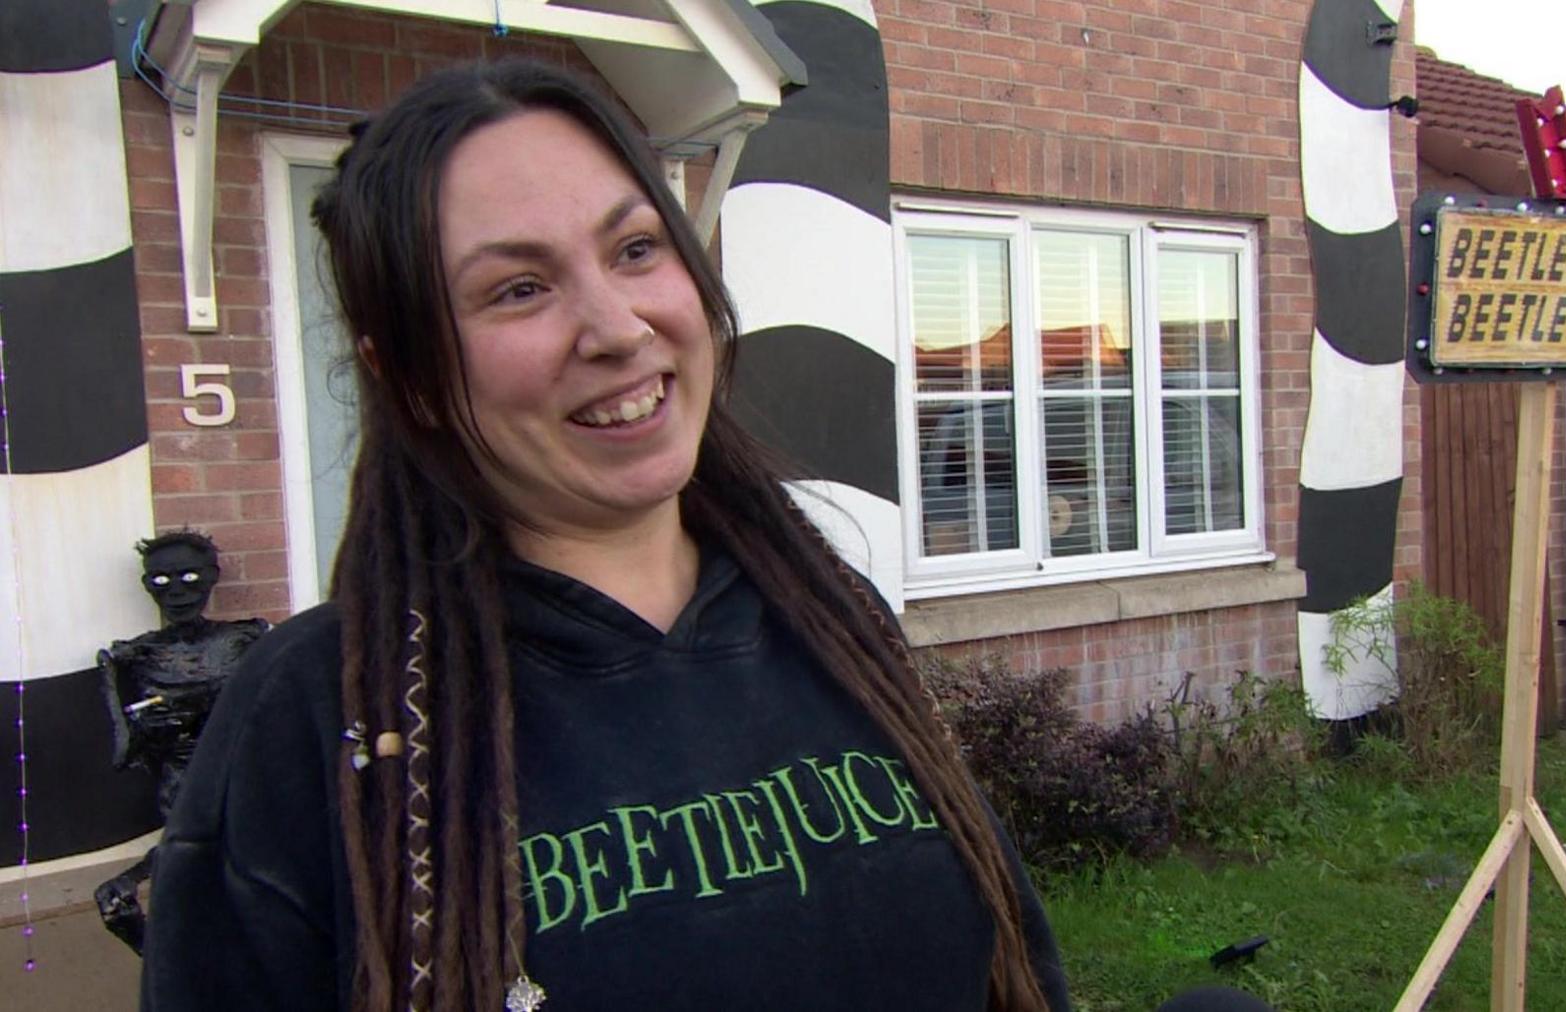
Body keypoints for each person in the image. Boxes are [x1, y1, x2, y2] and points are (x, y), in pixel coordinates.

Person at [141, 60, 1070, 1012]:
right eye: (518, 289)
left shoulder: (835, 618)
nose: (618, 329)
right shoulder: (316, 719)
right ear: (409, 374)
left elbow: (1016, 964)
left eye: (633, 249)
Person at [95, 530, 269, 953]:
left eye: (189, 578)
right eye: (161, 581)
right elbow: (125, 754)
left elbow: (274, 719)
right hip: (186, 808)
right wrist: (150, 730)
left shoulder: (249, 640)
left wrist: (205, 707)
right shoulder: (131, 658)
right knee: (118, 901)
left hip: (248, 800)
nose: (175, 592)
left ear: (212, 578)